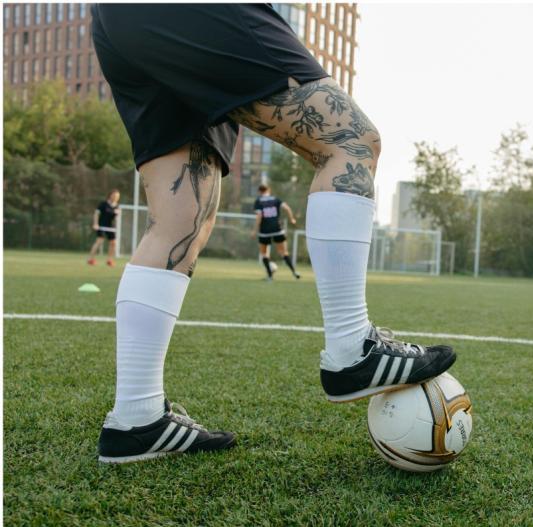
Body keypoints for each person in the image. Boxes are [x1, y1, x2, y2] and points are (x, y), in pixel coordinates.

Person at [91, 4, 456, 464]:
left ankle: (136, 419)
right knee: (350, 140)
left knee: (180, 217)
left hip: (119, 20)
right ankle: (352, 349)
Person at [252, 184, 300, 280]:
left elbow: (259, 217)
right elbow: (287, 208)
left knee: (264, 253)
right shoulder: (276, 199)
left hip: (264, 231)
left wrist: (254, 230)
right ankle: (294, 272)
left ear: (259, 191)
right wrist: (292, 219)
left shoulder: (258, 201)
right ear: (269, 190)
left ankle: (270, 276)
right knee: (284, 252)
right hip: (277, 229)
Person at [87, 189, 121, 267]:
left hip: (111, 227)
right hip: (101, 226)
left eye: (117, 196)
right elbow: (96, 213)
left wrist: (118, 214)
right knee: (99, 241)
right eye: (115, 196)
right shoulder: (103, 204)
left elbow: (117, 218)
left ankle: (109, 260)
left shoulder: (117, 206)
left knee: (113, 243)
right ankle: (90, 259)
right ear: (110, 195)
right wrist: (95, 224)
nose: (116, 197)